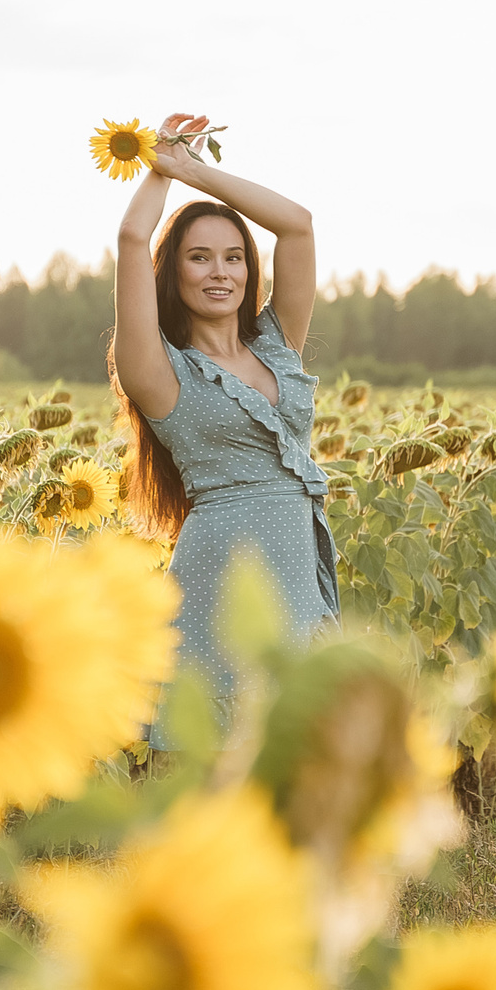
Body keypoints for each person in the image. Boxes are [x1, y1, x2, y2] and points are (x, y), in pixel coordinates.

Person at [110, 113, 336, 719]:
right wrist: (157, 169)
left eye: (234, 258)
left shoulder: (275, 344)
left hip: (297, 568)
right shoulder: (159, 373)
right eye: (200, 258)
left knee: (301, 750)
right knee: (218, 764)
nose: (221, 272)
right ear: (174, 272)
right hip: (221, 572)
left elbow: (298, 226)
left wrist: (194, 172)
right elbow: (133, 239)